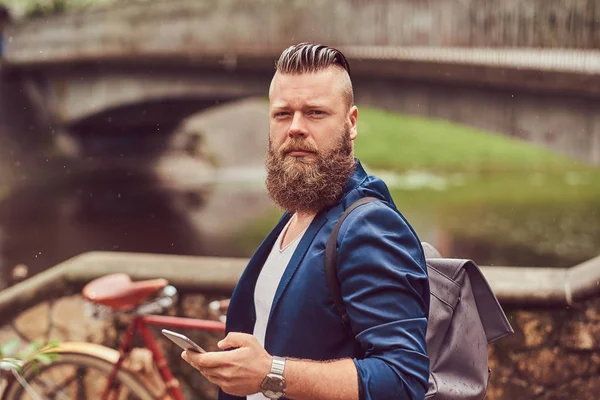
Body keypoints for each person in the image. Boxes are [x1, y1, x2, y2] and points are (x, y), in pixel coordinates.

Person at [182, 43, 430, 400]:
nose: (296, 127)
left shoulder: (370, 227)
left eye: (315, 113)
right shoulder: (302, 209)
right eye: (283, 114)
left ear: (351, 122)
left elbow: (403, 380)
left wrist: (271, 373)